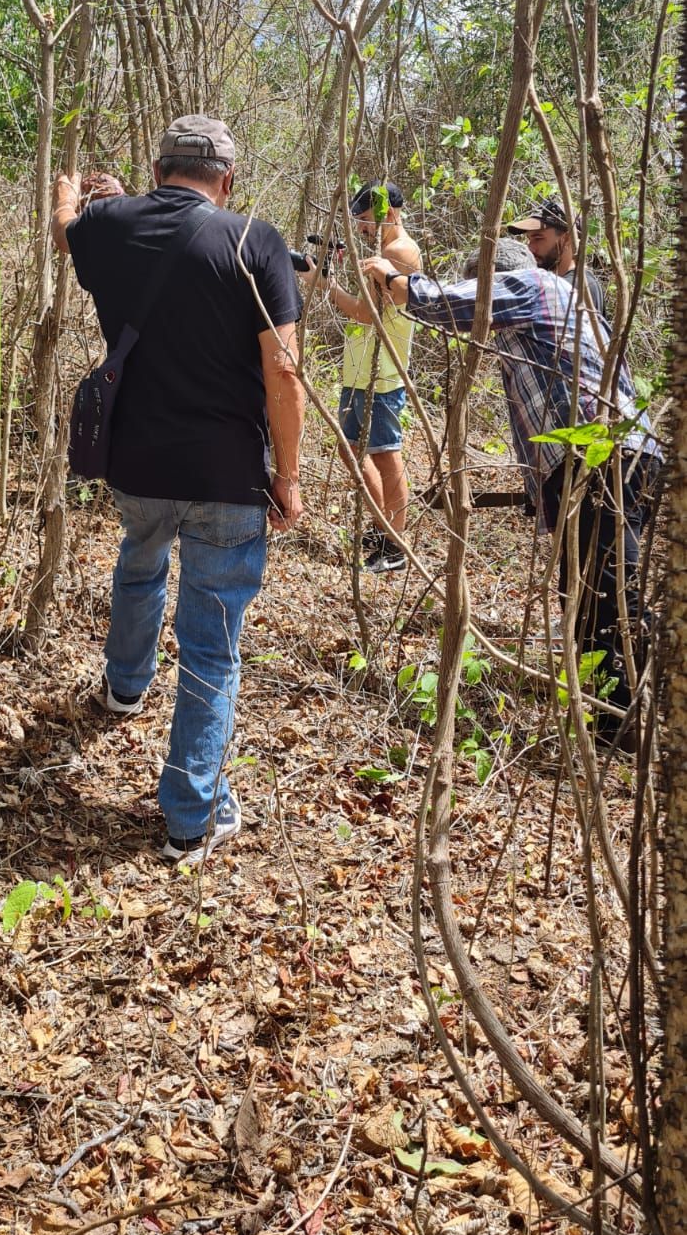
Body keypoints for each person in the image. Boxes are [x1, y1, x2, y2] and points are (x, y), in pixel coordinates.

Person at [53, 115, 305, 864]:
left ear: (159, 169)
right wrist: (287, 478)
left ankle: (124, 686)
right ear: (226, 182)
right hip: (228, 474)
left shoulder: (106, 226)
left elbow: (67, 230)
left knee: (140, 557)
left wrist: (70, 194)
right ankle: (191, 818)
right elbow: (283, 373)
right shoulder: (254, 239)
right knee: (211, 643)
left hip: (136, 465)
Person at [361, 236, 661, 726]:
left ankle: (626, 721)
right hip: (623, 457)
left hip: (599, 458)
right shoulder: (563, 305)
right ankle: (614, 713)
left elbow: (448, 304)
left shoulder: (530, 286)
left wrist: (393, 280)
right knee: (587, 590)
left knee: (605, 595)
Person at [300, 182, 420, 573]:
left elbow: (367, 314)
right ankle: (382, 527)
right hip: (362, 368)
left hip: (383, 372)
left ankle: (395, 546)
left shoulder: (397, 253)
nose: (363, 229)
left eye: (366, 221)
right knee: (351, 450)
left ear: (389, 213)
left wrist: (324, 284)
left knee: (385, 454)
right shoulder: (380, 253)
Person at [508, 193, 606, 316]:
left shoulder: (574, 287)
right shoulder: (573, 282)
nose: (530, 248)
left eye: (538, 238)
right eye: (529, 239)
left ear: (567, 239)